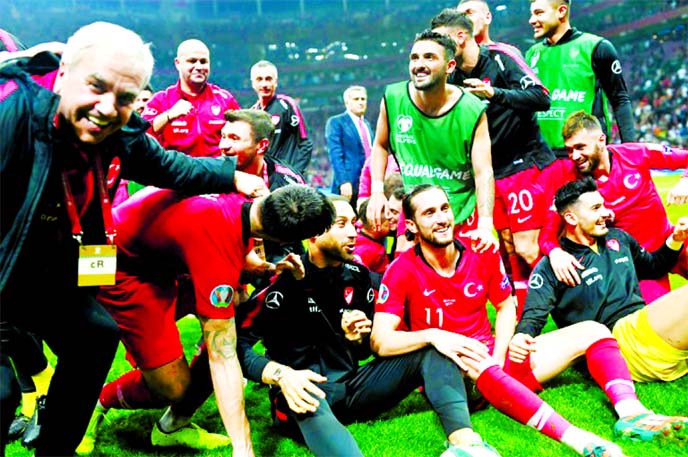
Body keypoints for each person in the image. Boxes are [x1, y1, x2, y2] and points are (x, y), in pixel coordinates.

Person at [0, 21, 267, 456]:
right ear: (65, 72)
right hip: (6, 261)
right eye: (97, 87)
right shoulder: (12, 114)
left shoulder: (118, 130)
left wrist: (230, 174)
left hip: (47, 259)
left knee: (95, 333)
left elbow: (167, 166)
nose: (108, 108)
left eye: (124, 98)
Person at [371, 184, 686, 456]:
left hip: (494, 358)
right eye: (429, 213)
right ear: (410, 226)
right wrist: (434, 336)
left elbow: (506, 306)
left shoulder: (482, 251)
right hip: (453, 374)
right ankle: (579, 440)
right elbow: (381, 340)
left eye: (444, 208)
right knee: (470, 360)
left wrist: (506, 348)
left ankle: (632, 414)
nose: (441, 218)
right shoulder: (400, 271)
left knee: (593, 330)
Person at [75, 184, 335, 456]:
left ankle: (173, 425)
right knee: (174, 386)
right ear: (283, 239)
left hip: (155, 255)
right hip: (123, 270)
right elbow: (222, 355)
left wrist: (269, 268)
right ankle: (97, 401)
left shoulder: (246, 193)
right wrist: (243, 448)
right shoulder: (215, 243)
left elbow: (233, 252)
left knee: (238, 305)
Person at [237, 196, 502, 457]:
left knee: (434, 347)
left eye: (353, 223)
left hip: (351, 387)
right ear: (314, 234)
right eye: (341, 225)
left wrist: (356, 339)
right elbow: (236, 346)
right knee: (308, 392)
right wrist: (281, 375)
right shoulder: (282, 280)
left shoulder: (357, 276)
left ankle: (467, 444)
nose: (353, 232)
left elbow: (364, 353)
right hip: (301, 392)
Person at [431, 9, 556, 314]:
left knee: (528, 248)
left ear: (460, 37)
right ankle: (529, 318)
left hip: (523, 163)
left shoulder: (500, 58)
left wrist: (495, 93)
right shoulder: (451, 76)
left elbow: (542, 97)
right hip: (488, 174)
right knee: (506, 248)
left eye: (441, 40)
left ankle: (573, 303)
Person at [520, 177, 688, 384]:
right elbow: (533, 317)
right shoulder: (552, 266)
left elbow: (654, 267)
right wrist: (521, 338)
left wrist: (676, 238)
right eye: (596, 208)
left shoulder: (618, 238)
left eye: (604, 205)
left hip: (646, 330)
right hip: (616, 346)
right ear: (571, 218)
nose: (606, 213)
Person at [367, 30, 497, 256]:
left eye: (429, 57)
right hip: (414, 213)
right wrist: (377, 191)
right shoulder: (393, 98)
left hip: (460, 214)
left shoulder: (472, 110)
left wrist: (485, 224)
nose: (419, 64)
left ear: (450, 66)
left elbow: (484, 172)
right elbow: (380, 145)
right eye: (414, 57)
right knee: (408, 279)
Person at [539, 111, 688, 303]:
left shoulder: (635, 154)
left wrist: (685, 180)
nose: (574, 156)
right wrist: (554, 252)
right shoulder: (569, 181)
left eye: (580, 147)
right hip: (636, 264)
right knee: (659, 322)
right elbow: (547, 234)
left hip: (671, 241)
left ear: (601, 140)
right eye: (569, 150)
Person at [525, 0, 635, 157]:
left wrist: (630, 151)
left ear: (561, 11)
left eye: (538, 13)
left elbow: (620, 100)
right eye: (531, 14)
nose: (531, 20)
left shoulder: (597, 47)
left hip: (586, 157)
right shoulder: (531, 55)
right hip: (544, 158)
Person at [218, 108, 307, 274]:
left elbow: (303, 233)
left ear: (261, 145)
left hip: (278, 260)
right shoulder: (210, 177)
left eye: (234, 139)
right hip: (227, 260)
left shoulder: (289, 183)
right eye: (223, 136)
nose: (223, 146)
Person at [141, 39, 241, 158]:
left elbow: (243, 136)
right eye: (192, 61)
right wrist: (168, 115)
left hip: (216, 172)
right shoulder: (161, 100)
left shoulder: (225, 99)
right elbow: (141, 133)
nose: (198, 67)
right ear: (178, 63)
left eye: (203, 62)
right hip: (176, 173)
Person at [250, 60, 313, 174]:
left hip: (287, 177)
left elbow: (305, 143)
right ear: (253, 83)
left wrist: (295, 173)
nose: (264, 84)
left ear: (276, 82)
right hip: (263, 178)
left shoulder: (287, 105)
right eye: (259, 79)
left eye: (268, 79)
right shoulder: (252, 112)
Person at [326, 85, 374, 204]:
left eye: (363, 99)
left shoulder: (367, 125)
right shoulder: (336, 122)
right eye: (356, 99)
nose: (360, 102)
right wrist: (343, 181)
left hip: (368, 183)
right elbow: (335, 154)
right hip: (348, 183)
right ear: (347, 102)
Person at [354, 198, 392, 278]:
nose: (392, 219)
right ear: (375, 225)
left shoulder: (359, 231)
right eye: (388, 222)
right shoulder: (368, 251)